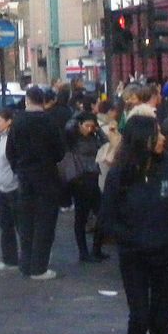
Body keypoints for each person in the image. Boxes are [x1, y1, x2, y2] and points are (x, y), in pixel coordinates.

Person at [101, 115, 168, 334]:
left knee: (161, 318)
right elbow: (107, 216)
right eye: (156, 134)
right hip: (134, 255)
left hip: (165, 253)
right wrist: (129, 238)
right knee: (140, 315)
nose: (162, 138)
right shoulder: (121, 173)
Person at [6, 85, 66, 280]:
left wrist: (19, 168)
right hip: (47, 177)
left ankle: (26, 264)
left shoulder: (17, 122)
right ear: (42, 101)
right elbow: (59, 151)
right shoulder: (50, 121)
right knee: (45, 222)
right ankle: (39, 267)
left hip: (24, 177)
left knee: (26, 222)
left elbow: (10, 152)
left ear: (27, 101)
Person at [69, 112, 108, 262]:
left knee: (102, 214)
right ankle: (83, 252)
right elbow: (68, 128)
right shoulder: (74, 138)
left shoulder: (93, 137)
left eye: (92, 126)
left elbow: (104, 142)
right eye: (87, 125)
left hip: (92, 178)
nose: (89, 128)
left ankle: (96, 249)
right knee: (81, 216)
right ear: (79, 125)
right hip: (80, 180)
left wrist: (97, 129)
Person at [0, 107, 20, 270]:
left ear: (9, 122)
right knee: (5, 226)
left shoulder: (12, 139)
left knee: (19, 225)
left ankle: (27, 257)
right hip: (1, 186)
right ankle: (9, 259)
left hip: (14, 187)